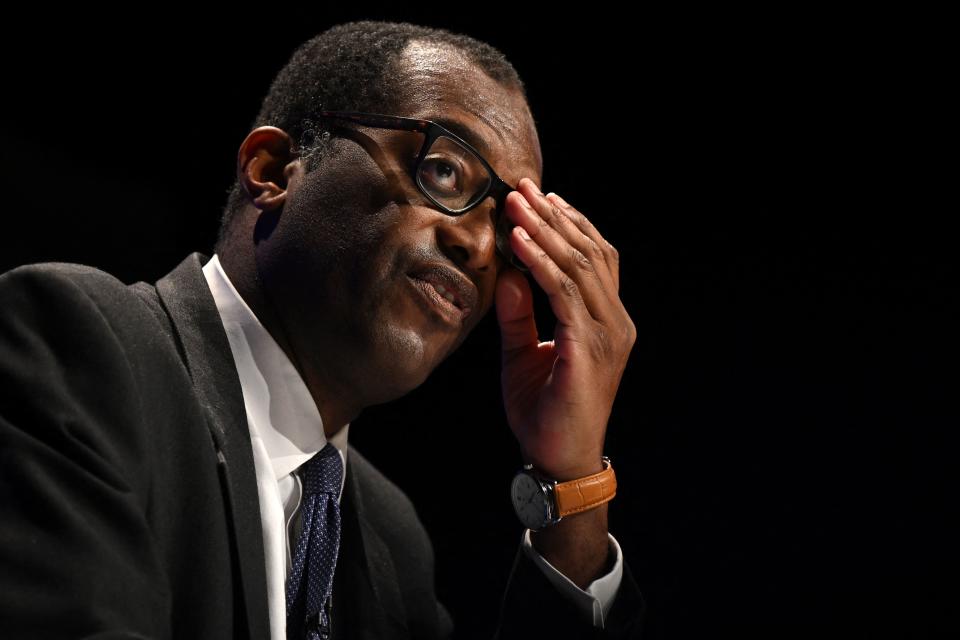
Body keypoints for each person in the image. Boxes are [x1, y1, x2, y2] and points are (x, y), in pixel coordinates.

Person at [0, 20, 644, 639]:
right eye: (445, 171)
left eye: (508, 229)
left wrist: (573, 478)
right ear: (275, 169)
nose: (478, 245)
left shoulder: (392, 542)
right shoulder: (80, 347)